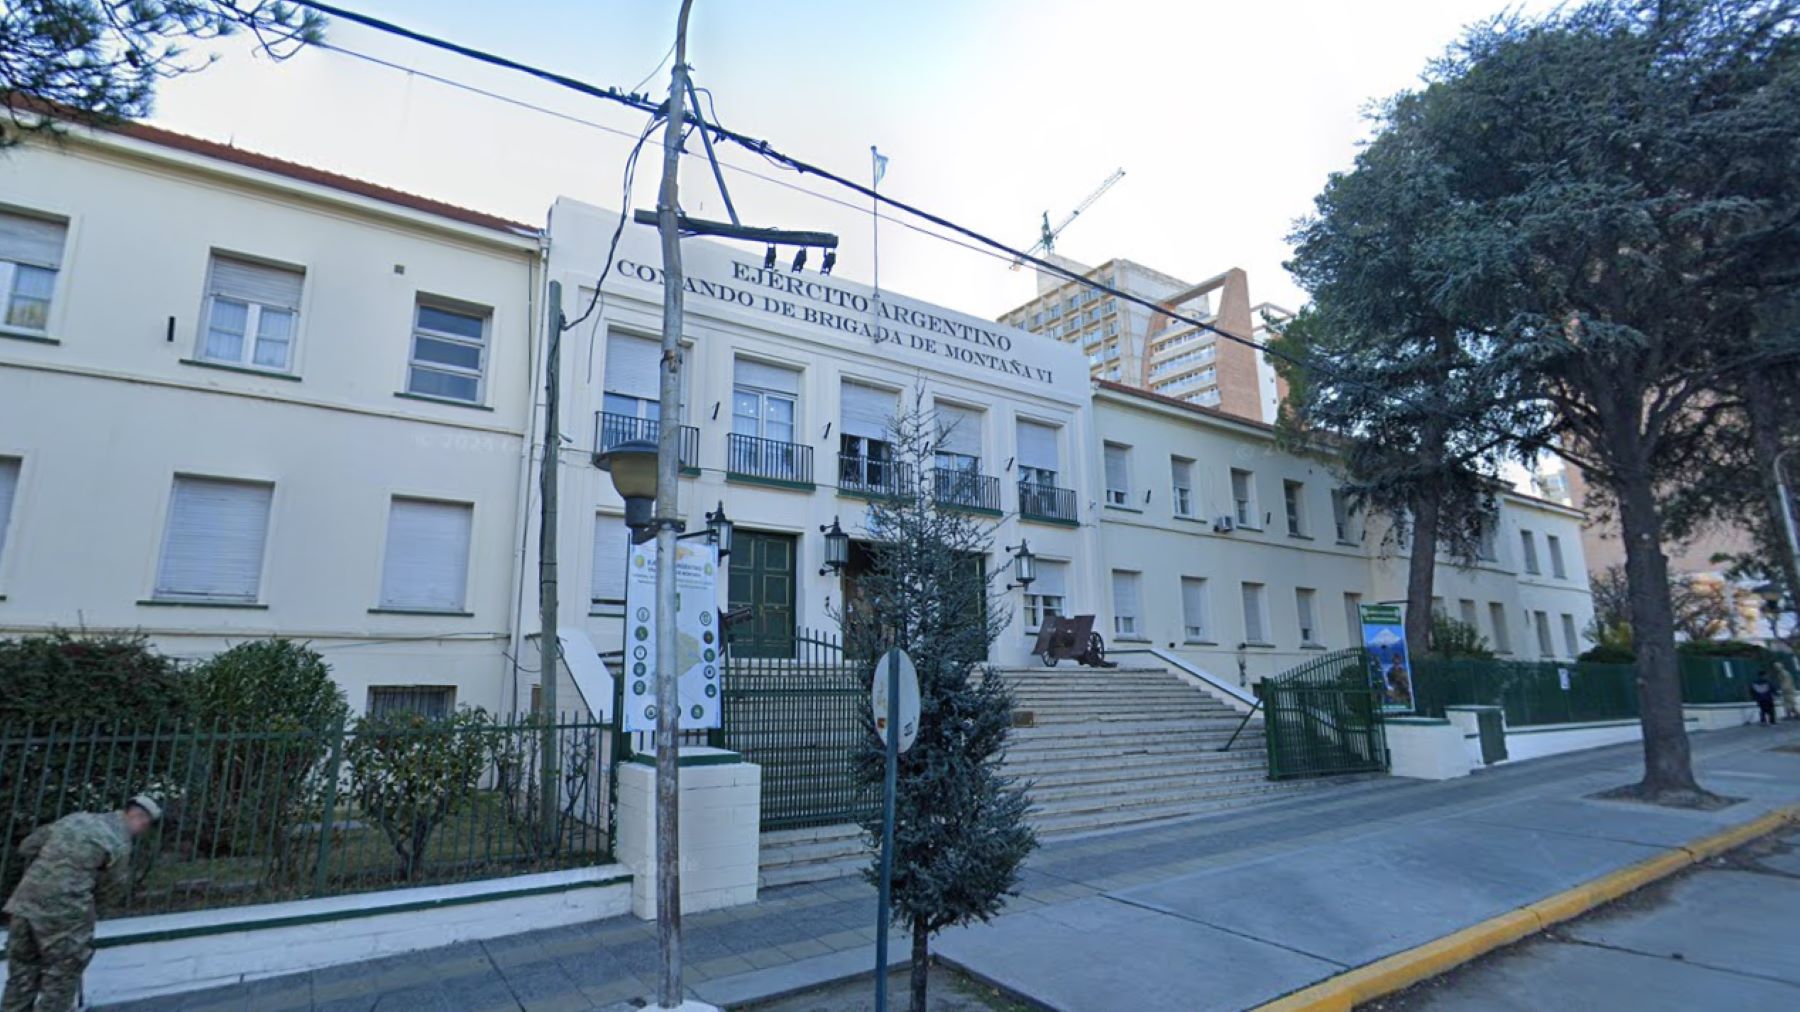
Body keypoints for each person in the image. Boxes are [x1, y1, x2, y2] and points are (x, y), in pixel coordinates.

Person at [3, 796, 160, 1012]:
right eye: (146, 825)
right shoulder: (118, 842)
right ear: (140, 818)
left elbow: (27, 847)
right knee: (60, 981)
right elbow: (110, 890)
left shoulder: (75, 820)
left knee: (21, 975)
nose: (143, 830)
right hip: (65, 914)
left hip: (23, 905)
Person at [1774, 656, 1800, 722]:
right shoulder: (1780, 673)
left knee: (1790, 703)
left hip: (1788, 690)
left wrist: (1783, 688)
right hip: (1786, 690)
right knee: (1787, 703)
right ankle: (1792, 715)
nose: (1776, 668)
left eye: (1777, 666)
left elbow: (1787, 682)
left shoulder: (1784, 673)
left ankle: (1795, 715)